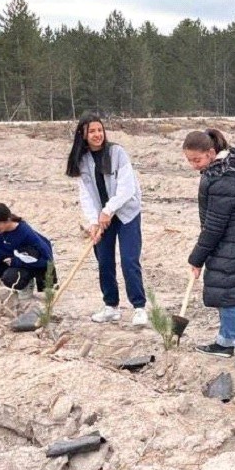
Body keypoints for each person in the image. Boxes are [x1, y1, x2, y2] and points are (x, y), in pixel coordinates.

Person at [183, 128, 235, 371]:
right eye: (189, 160)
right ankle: (225, 342)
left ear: (211, 153)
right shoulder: (217, 171)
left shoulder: (224, 180)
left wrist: (197, 258)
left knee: (227, 295)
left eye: (197, 160)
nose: (194, 165)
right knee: (220, 288)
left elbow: (214, 226)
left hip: (233, 242)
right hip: (229, 240)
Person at [65, 113, 147, 326]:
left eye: (99, 130)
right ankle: (111, 306)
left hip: (126, 214)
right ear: (83, 134)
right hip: (102, 218)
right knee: (104, 261)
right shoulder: (82, 160)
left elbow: (127, 188)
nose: (97, 134)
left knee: (129, 261)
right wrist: (94, 221)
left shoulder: (117, 152)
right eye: (92, 131)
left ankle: (139, 307)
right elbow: (86, 194)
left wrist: (109, 210)